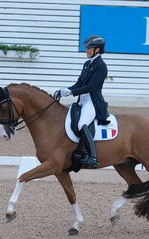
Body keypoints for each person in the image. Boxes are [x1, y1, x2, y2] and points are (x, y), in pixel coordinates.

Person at [60, 35, 109, 169]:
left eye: (89, 48)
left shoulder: (101, 66)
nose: (86, 50)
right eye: (87, 48)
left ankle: (92, 157)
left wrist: (72, 92)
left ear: (97, 49)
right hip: (82, 100)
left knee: (82, 124)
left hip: (92, 101)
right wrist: (66, 90)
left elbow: (92, 87)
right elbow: (80, 83)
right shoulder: (87, 64)